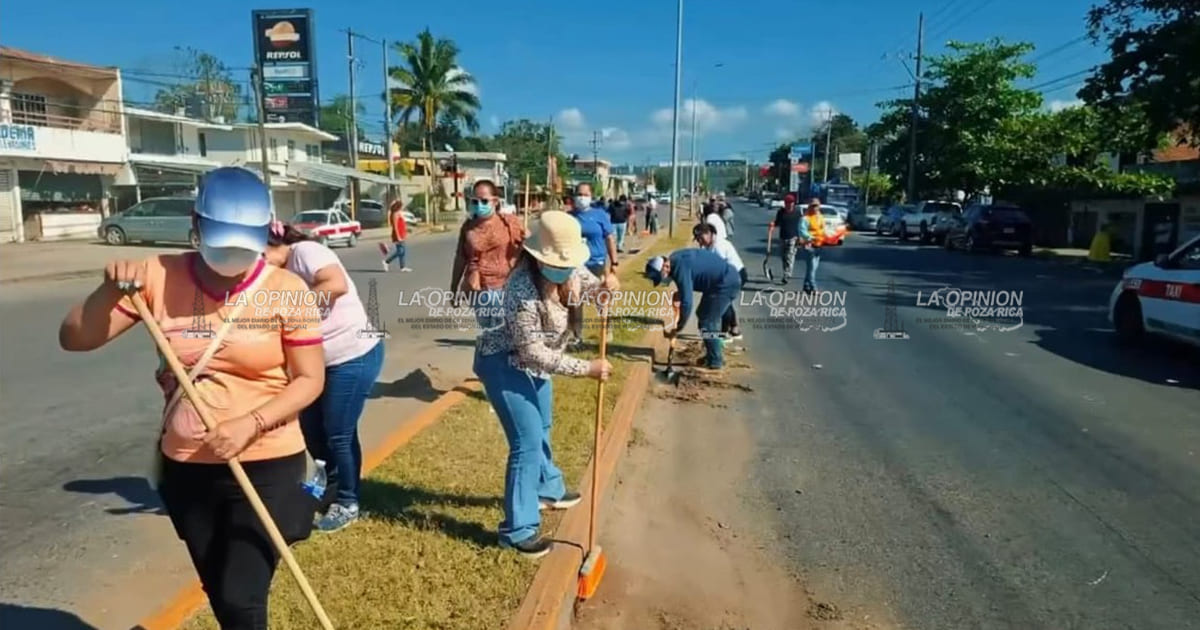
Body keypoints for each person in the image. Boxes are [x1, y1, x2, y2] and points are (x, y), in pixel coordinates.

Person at [58, 166, 325, 630]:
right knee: (220, 589)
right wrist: (107, 291)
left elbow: (308, 380)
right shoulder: (155, 277)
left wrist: (251, 424)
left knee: (243, 598)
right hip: (186, 466)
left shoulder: (288, 290)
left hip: (266, 463)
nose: (232, 260)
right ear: (196, 227)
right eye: (222, 244)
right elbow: (75, 340)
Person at [474, 210, 619, 558]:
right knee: (525, 440)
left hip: (534, 365)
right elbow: (533, 352)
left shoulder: (570, 268)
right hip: (503, 363)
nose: (564, 268)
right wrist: (587, 368)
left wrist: (605, 289)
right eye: (556, 262)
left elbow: (590, 289)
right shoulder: (520, 290)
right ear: (538, 258)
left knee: (544, 425)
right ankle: (517, 529)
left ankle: (547, 489)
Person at [264, 221, 384, 532]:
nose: (257, 265)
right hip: (315, 365)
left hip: (353, 355)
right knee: (312, 431)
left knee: (338, 432)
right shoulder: (272, 276)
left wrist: (290, 306)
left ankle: (348, 500)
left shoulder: (305, 252)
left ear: (272, 243)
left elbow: (335, 284)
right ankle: (331, 487)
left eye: (259, 256)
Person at [644, 247, 741, 370]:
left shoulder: (679, 269)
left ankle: (716, 360)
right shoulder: (675, 258)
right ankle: (712, 355)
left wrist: (680, 325)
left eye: (660, 277)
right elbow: (689, 280)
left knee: (707, 322)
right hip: (719, 281)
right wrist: (681, 292)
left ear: (665, 268)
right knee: (703, 315)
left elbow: (687, 303)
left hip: (725, 283)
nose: (663, 280)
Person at [450, 179, 526, 332]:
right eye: (475, 201)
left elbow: (527, 249)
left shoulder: (509, 223)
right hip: (479, 290)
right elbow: (460, 258)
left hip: (506, 288)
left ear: (495, 201)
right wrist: (453, 288)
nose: (479, 205)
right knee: (487, 334)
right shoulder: (468, 227)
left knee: (506, 334)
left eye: (484, 200)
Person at [567, 182, 618, 343]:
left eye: (585, 195)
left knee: (601, 298)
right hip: (576, 264)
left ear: (591, 196)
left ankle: (606, 329)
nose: (581, 198)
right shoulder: (570, 217)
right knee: (575, 300)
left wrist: (614, 262)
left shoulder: (600, 215)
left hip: (597, 263)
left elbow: (609, 238)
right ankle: (576, 335)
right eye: (579, 194)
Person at [693, 223, 746, 340]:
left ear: (708, 234)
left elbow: (719, 268)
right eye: (697, 240)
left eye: (701, 238)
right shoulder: (710, 246)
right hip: (727, 276)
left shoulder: (718, 246)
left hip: (736, 275)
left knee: (722, 301)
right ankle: (734, 328)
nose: (700, 242)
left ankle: (726, 332)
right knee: (724, 302)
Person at [767, 193, 803, 284]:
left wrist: (801, 237)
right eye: (787, 203)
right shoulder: (781, 212)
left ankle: (787, 275)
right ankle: (785, 272)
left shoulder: (798, 212)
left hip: (793, 238)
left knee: (789, 256)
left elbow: (802, 225)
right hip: (783, 237)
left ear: (793, 203)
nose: (789, 204)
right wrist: (773, 225)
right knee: (783, 257)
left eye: (791, 203)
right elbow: (778, 222)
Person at [797, 199, 826, 293]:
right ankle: (813, 288)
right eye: (813, 206)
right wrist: (811, 237)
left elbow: (823, 229)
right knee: (812, 267)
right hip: (809, 245)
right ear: (810, 206)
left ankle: (806, 285)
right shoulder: (805, 218)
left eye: (816, 206)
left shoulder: (820, 217)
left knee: (812, 268)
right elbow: (802, 231)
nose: (815, 208)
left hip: (819, 245)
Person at [382, 199, 412, 272]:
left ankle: (403, 267)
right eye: (401, 206)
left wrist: (407, 230)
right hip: (397, 234)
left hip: (402, 234)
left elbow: (402, 224)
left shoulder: (399, 213)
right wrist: (398, 236)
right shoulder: (395, 214)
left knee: (403, 251)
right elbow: (395, 226)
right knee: (400, 251)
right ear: (398, 206)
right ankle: (386, 262)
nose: (402, 207)